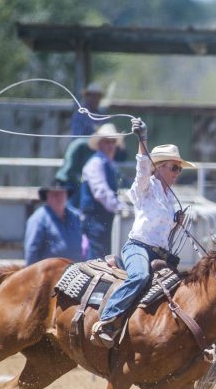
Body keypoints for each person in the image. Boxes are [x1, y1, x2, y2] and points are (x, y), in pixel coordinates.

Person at [92, 118, 196, 347]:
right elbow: (141, 168)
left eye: (179, 168)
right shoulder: (146, 187)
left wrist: (176, 223)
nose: (178, 172)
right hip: (138, 247)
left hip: (160, 255)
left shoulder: (170, 198)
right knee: (140, 276)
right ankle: (107, 319)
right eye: (174, 167)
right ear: (158, 167)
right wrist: (142, 140)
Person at [80, 123, 125, 260]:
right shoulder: (96, 163)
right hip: (96, 219)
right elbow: (101, 192)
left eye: (112, 142)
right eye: (107, 142)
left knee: (104, 254)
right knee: (97, 257)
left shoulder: (109, 164)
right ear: (99, 144)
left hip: (104, 217)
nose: (110, 145)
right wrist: (121, 208)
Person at [24, 181, 83, 265]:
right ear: (47, 197)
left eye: (61, 193)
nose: (59, 197)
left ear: (66, 195)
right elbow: (32, 250)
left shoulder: (76, 216)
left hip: (75, 271)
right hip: (49, 273)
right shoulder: (38, 219)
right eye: (54, 194)